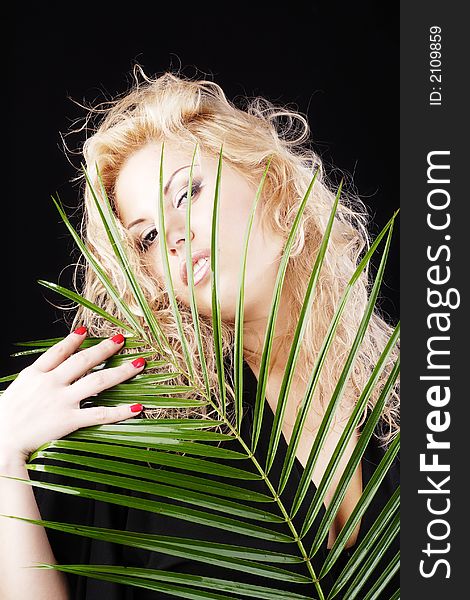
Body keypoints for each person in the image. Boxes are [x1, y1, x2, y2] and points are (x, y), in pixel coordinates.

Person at [0, 67, 399, 599]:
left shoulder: (401, 390)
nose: (171, 238)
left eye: (185, 193)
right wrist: (4, 460)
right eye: (144, 238)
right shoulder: (130, 422)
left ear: (271, 182)